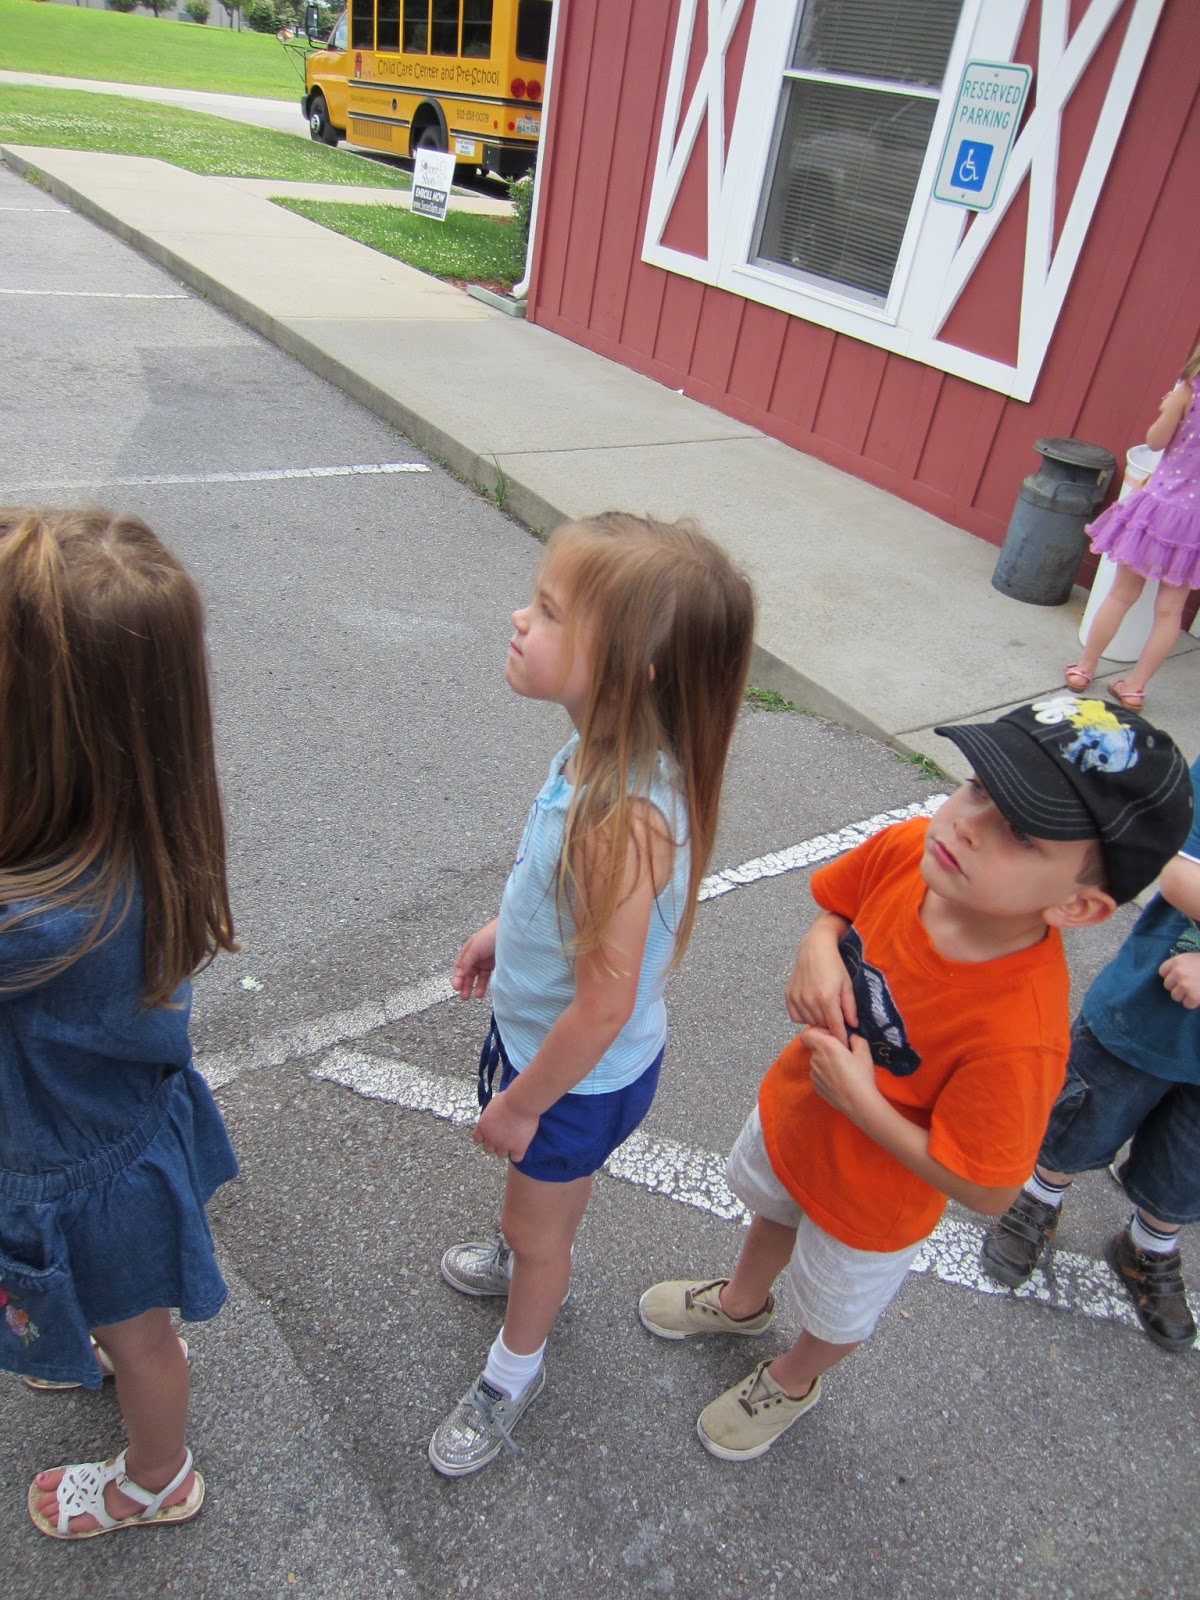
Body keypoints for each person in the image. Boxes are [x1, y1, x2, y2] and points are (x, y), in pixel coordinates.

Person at [638, 695, 1193, 1461]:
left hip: (876, 1198)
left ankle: (795, 1380)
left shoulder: (1020, 1034)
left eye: (1020, 833)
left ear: (1078, 905)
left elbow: (990, 1189)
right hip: (802, 1112)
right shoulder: (909, 850)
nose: (968, 823)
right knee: (770, 1209)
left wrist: (863, 1101)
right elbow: (835, 908)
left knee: (835, 1311)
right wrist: (820, 946)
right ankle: (742, 1303)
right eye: (977, 789)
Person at [429, 512, 755, 1476]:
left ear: (632, 668)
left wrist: (523, 1107)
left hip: (573, 1078)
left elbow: (604, 1006)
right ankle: (518, 1244)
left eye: (548, 610)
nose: (517, 618)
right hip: (551, 1048)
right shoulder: (591, 750)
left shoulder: (626, 818)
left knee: (542, 1234)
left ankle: (510, 1373)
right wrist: (506, 931)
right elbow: (556, 891)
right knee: (534, 1210)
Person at [0, 509, 239, 1538]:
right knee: (124, 1323)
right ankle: (95, 1345)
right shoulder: (144, 822)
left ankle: (157, 1478)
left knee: (143, 1340)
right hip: (119, 1137)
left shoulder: (32, 914)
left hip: (76, 1170)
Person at [981, 754, 1200, 1353]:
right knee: (1083, 1115)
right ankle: (1039, 1197)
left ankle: (1150, 1246)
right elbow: (1181, 875)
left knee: (1187, 1164)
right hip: (1145, 1018)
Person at [1065, 338, 1200, 710]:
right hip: (1197, 524)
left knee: (1122, 594)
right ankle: (1135, 688)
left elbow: (1154, 443)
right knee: (1171, 610)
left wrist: (1166, 410)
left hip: (1160, 507)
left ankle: (1084, 668)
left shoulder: (1187, 392)